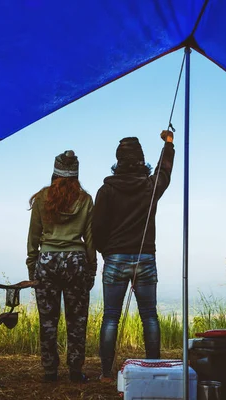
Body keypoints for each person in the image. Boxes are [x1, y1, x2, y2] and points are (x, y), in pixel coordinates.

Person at [93, 131, 175, 380]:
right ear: (141, 161)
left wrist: (107, 252)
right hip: (146, 259)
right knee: (149, 316)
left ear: (118, 162)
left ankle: (106, 372)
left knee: (110, 318)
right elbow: (164, 172)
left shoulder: (105, 191)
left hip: (115, 259)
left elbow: (97, 230)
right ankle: (153, 368)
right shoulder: (150, 187)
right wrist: (168, 145)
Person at [26, 150, 96, 383]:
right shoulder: (85, 199)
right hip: (76, 262)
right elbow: (90, 239)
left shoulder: (42, 198)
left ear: (54, 172)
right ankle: (75, 371)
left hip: (47, 261)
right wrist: (92, 269)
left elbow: (33, 237)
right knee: (77, 320)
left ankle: (50, 371)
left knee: (48, 320)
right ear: (76, 174)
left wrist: (32, 267)